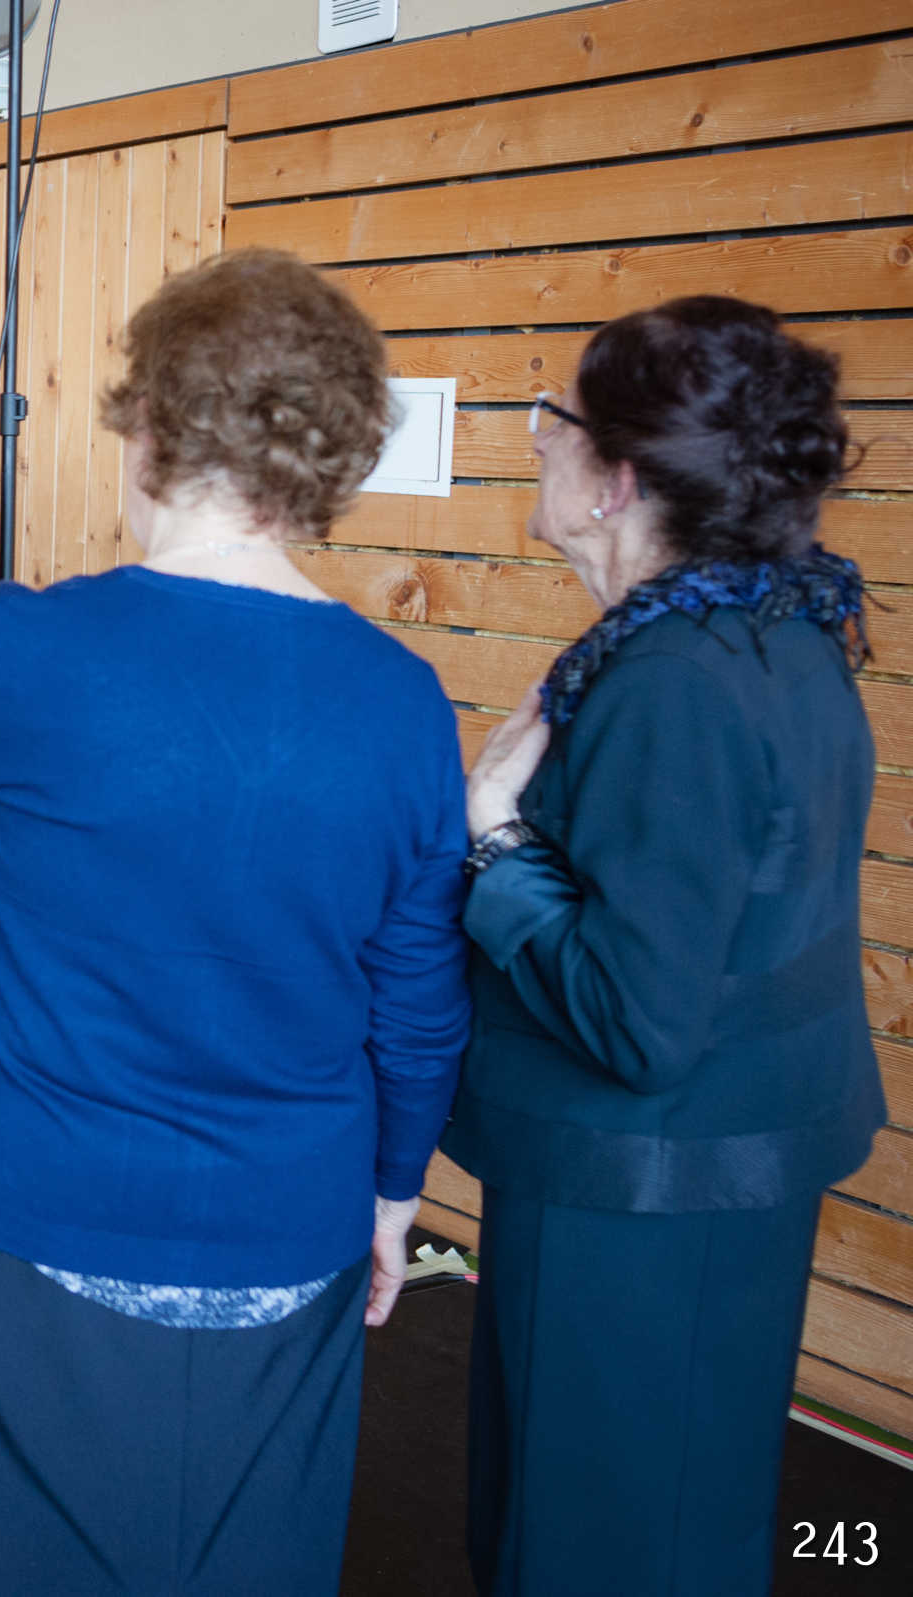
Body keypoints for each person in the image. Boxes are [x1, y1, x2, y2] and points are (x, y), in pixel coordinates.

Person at [0, 248, 471, 1595]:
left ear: (152, 430)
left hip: (27, 1215)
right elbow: (418, 999)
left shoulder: (29, 646)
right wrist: (393, 1197)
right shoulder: (404, 699)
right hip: (290, 1224)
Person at [449, 297, 885, 1597]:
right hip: (720, 1170)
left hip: (635, 1195)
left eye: (557, 419)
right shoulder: (780, 630)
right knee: (684, 1526)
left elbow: (637, 1019)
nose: (538, 439)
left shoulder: (675, 681)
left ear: (620, 480)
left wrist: (491, 842)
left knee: (585, 1549)